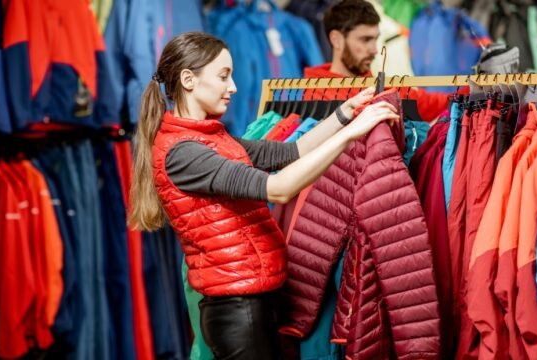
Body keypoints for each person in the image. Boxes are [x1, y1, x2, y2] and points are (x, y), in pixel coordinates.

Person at [129, 32, 399, 360]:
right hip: (237, 312)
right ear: (189, 79)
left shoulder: (211, 138)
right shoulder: (183, 152)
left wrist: (345, 114)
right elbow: (280, 188)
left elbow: (290, 152)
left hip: (252, 304)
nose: (234, 88)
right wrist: (352, 134)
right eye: (224, 76)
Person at [305, 0, 450, 122]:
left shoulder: (386, 89)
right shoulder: (314, 100)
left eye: (375, 39)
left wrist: (469, 89)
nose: (374, 49)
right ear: (336, 40)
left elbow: (436, 103)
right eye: (365, 39)